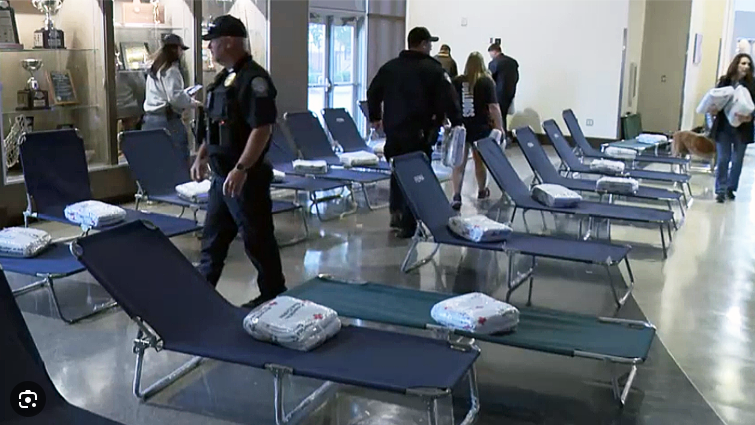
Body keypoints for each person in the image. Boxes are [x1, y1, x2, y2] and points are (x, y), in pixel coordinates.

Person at [191, 15, 286, 308]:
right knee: (212, 242)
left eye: (213, 42)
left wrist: (242, 168)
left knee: (257, 240)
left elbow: (262, 128)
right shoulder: (224, 79)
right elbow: (216, 125)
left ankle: (274, 294)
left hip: (246, 179)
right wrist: (202, 155)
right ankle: (200, 299)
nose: (210, 48)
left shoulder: (254, 80)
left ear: (229, 41)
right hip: (222, 177)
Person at [367, 27, 463, 238]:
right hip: (420, 132)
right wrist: (456, 121)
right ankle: (409, 224)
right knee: (417, 176)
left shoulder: (390, 67)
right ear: (423, 44)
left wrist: (375, 117)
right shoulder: (433, 70)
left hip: (394, 131)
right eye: (429, 44)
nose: (430, 48)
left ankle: (396, 213)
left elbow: (373, 92)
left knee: (397, 171)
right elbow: (449, 98)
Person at [450, 52, 504, 210]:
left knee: (459, 163)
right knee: (479, 162)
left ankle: (456, 195)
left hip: (461, 127)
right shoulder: (486, 82)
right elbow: (493, 107)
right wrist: (499, 127)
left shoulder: (457, 81)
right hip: (481, 128)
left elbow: (451, 103)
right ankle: (481, 191)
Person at [143, 34, 202, 165]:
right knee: (177, 160)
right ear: (175, 50)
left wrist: (183, 94)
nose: (182, 53)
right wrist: (192, 103)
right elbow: (175, 98)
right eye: (181, 49)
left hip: (150, 121)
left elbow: (165, 94)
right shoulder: (172, 70)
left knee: (155, 162)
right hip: (167, 121)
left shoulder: (154, 69)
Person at [708, 53, 755, 203]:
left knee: (737, 160)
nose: (746, 67)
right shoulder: (725, 81)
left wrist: (750, 117)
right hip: (724, 127)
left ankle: (731, 187)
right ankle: (720, 190)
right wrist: (713, 109)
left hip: (743, 128)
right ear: (736, 65)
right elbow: (715, 100)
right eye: (743, 63)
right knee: (723, 158)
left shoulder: (752, 85)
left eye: (748, 64)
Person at [487, 43, 519, 139]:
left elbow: (489, 79)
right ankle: (504, 135)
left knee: (497, 117)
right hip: (510, 92)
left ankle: (500, 136)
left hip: (497, 94)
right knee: (503, 114)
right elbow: (516, 78)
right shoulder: (513, 62)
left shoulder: (494, 63)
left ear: (494, 52)